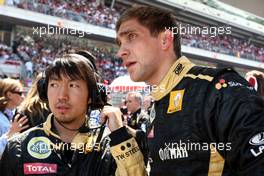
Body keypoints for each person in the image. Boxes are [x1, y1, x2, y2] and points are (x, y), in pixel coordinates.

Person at [116, 5, 264, 175]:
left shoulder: (219, 88)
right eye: (119, 43)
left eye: (131, 36)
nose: (120, 52)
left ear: (165, 40)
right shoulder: (158, 102)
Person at [0, 54, 146, 176]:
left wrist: (120, 136)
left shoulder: (111, 145)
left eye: (73, 85)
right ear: (44, 92)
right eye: (54, 85)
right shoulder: (18, 147)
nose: (62, 96)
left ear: (92, 95)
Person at [0, 78, 28, 158]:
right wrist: (10, 133)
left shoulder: (17, 114)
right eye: (20, 93)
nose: (23, 96)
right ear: (9, 95)